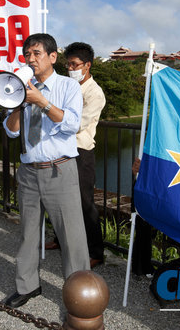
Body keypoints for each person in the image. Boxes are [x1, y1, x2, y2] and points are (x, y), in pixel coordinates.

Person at [2, 33, 90, 309]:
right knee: (28, 233)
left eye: (36, 53)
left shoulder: (67, 86)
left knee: (71, 236)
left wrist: (43, 102)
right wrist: (19, 104)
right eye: (27, 54)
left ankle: (81, 294)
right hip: (29, 171)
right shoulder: (20, 87)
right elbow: (11, 129)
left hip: (59, 171)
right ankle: (27, 286)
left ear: (52, 57)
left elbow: (73, 124)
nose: (30, 59)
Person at [44, 42, 106, 269]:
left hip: (81, 152)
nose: (70, 68)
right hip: (61, 148)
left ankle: (96, 252)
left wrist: (54, 117)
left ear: (87, 65)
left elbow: (78, 124)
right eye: (67, 63)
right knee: (60, 198)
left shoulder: (95, 93)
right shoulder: (67, 86)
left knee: (85, 202)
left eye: (74, 64)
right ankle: (61, 240)